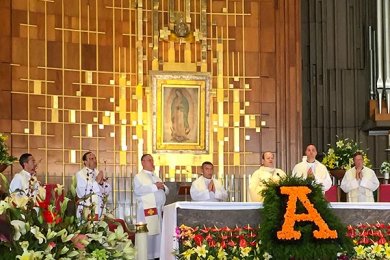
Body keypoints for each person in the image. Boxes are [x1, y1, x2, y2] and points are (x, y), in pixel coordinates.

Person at [134, 154, 169, 260]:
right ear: (143, 162)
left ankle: (157, 255)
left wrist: (163, 187)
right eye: (149, 160)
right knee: (147, 235)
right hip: (146, 211)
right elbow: (138, 190)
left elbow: (166, 190)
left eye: (152, 160)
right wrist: (155, 186)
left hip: (157, 210)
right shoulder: (138, 177)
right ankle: (145, 256)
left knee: (157, 234)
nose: (152, 162)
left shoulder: (155, 176)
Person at [76, 152, 111, 219]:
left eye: (95, 158)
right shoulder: (81, 174)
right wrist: (97, 181)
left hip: (99, 207)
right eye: (91, 159)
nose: (95, 160)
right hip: (87, 207)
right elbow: (83, 192)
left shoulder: (97, 172)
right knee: (89, 228)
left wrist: (101, 183)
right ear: (85, 162)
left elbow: (107, 190)